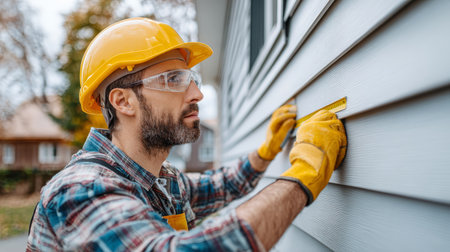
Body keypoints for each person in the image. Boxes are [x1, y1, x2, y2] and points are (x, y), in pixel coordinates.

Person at [27, 17, 347, 251]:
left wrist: (263, 155)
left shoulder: (163, 180)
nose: (196, 93)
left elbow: (218, 186)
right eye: (174, 79)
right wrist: (303, 177)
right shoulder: (81, 190)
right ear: (123, 101)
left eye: (191, 78)